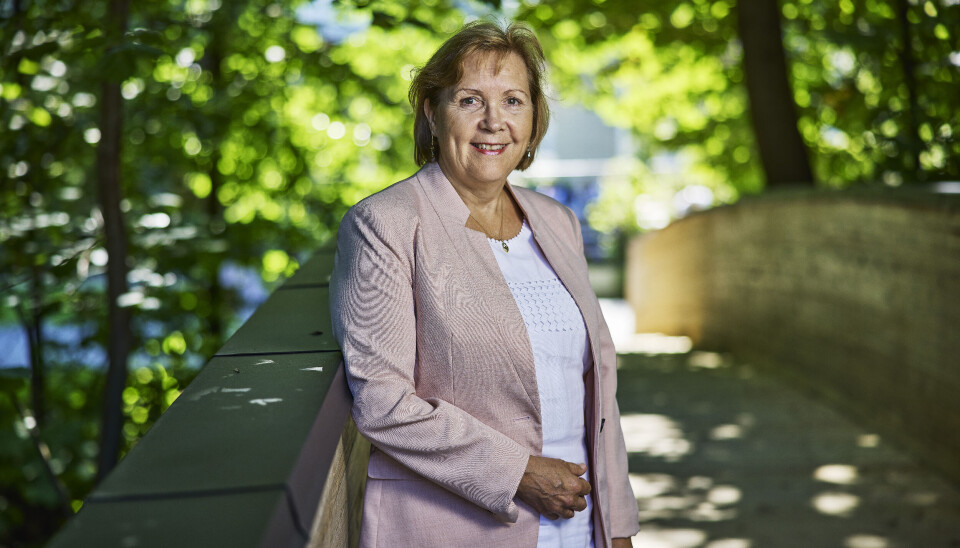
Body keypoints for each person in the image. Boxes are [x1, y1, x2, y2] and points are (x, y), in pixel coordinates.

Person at [330, 20, 639, 548]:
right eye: (471, 100)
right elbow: (382, 402)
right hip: (455, 526)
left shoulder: (558, 221)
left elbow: (598, 398)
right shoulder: (386, 223)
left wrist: (619, 526)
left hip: (581, 525)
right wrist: (518, 471)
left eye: (514, 101)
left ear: (534, 116)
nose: (494, 122)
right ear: (432, 110)